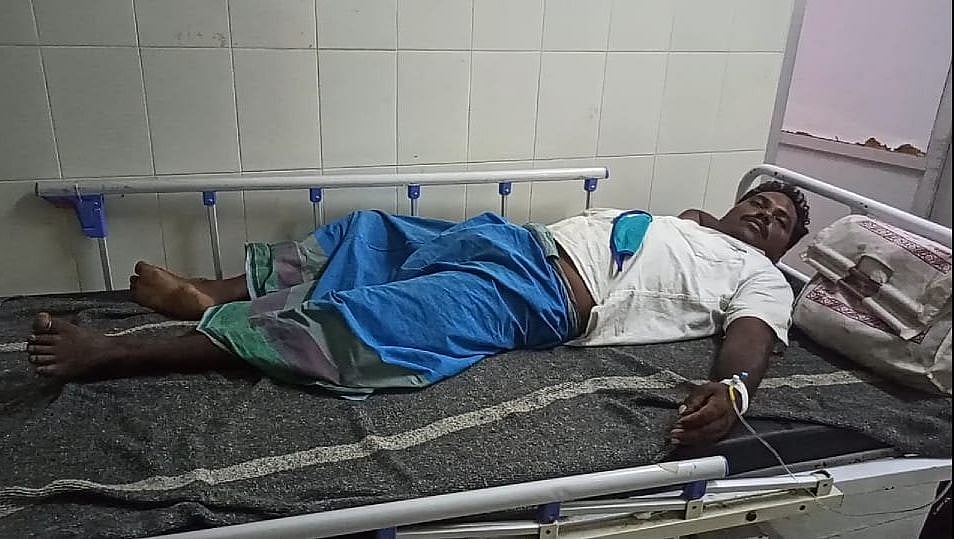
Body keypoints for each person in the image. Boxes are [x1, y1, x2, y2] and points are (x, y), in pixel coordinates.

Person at [25, 180, 810, 446]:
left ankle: (117, 353)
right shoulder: (682, 223)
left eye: (780, 222)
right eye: (761, 201)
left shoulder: (762, 279)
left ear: (781, 250)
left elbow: (751, 339)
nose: (765, 216)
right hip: (513, 240)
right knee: (362, 233)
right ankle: (215, 292)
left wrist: (736, 388)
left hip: (541, 294)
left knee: (360, 323)